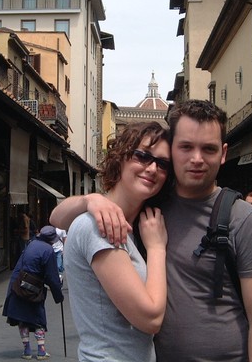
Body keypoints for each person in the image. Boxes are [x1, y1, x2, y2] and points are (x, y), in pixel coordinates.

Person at [51, 99, 252, 362]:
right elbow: (59, 219)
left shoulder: (242, 217)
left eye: (208, 148)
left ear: (223, 153)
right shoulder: (147, 210)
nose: (197, 159)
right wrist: (90, 200)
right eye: (186, 147)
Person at [63, 122, 169, 361]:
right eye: (143, 156)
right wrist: (157, 248)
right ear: (120, 157)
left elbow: (56, 217)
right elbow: (150, 319)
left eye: (162, 163)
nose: (153, 168)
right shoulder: (99, 226)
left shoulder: (130, 226)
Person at [3, 229, 64, 360]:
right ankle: (41, 350)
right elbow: (52, 276)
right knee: (38, 319)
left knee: (23, 319)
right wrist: (58, 295)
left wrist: (12, 288)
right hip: (35, 289)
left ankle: (27, 351)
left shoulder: (31, 244)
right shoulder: (48, 250)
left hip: (19, 285)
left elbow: (19, 266)